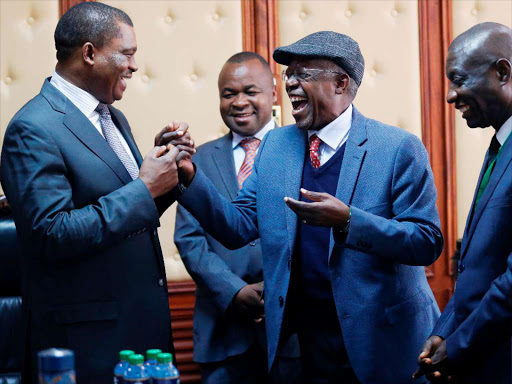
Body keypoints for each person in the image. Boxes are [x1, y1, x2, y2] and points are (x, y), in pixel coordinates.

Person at [174, 31, 443, 384]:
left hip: (381, 342)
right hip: (304, 348)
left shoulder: (397, 148)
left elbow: (426, 241)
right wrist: (190, 176)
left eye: (303, 74)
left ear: (341, 83)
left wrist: (348, 221)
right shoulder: (275, 145)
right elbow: (236, 225)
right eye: (288, 74)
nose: (290, 84)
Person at [0, 3, 193, 383]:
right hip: (87, 342)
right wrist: (144, 187)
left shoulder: (111, 116)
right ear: (89, 53)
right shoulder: (32, 128)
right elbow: (51, 233)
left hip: (140, 327)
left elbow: (132, 210)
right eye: (128, 53)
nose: (135, 66)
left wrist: (172, 172)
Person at [174, 52, 300, 384]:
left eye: (250, 91)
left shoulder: (303, 150)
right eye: (229, 94)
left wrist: (274, 288)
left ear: (274, 93)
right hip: (222, 331)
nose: (239, 102)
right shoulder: (196, 160)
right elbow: (189, 240)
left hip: (293, 330)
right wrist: (233, 291)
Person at [414, 22, 512, 384]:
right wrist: (444, 330)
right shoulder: (500, 143)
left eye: (459, 80)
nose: (450, 96)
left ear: (502, 72)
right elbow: (478, 264)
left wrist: (459, 346)